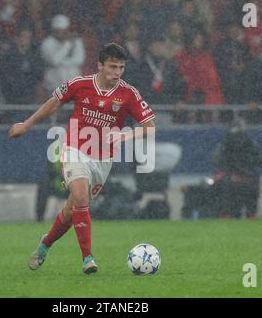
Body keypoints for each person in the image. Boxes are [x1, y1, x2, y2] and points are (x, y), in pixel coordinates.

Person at [8, 42, 156, 274]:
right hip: (74, 148)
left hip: (102, 160)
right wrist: (26, 124)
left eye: (121, 68)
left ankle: (45, 244)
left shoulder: (128, 93)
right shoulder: (80, 84)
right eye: (112, 67)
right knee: (79, 195)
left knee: (71, 210)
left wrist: (125, 136)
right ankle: (88, 258)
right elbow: (53, 103)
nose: (117, 73)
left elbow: (150, 127)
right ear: (99, 65)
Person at [212, 123, 262, 219]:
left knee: (229, 206)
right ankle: (251, 216)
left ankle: (227, 216)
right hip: (249, 179)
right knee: (250, 206)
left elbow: (216, 159)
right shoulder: (250, 143)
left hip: (231, 179)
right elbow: (260, 160)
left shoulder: (225, 144)